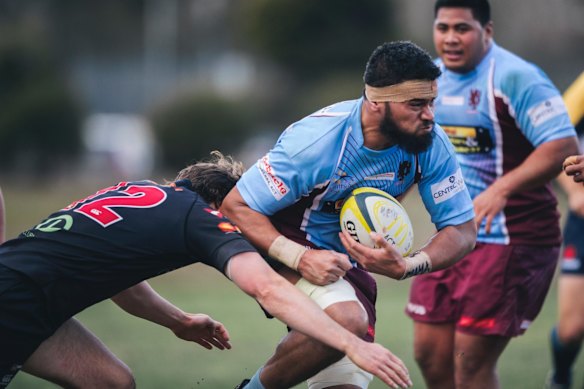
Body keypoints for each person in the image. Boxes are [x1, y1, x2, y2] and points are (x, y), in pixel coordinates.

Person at [0, 152, 412, 389]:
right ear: (225, 207)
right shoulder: (201, 218)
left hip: (32, 295)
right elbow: (268, 288)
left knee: (110, 382)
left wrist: (178, 320)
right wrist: (350, 341)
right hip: (16, 302)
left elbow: (119, 281)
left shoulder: (137, 192)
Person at [221, 41, 477, 389]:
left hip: (343, 264)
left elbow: (462, 230)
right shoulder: (317, 143)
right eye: (416, 104)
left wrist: (409, 265)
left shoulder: (430, 142)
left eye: (432, 102)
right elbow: (236, 207)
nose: (429, 115)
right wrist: (299, 257)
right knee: (347, 321)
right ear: (376, 102)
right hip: (281, 243)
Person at [406, 1, 580, 388]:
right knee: (429, 353)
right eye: (443, 27)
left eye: (462, 28)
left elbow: (563, 145)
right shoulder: (429, 80)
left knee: (469, 362)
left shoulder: (517, 78)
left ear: (486, 31)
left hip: (511, 237)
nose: (451, 38)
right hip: (452, 235)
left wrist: (501, 188)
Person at [548, 71, 584, 389]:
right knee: (572, 329)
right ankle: (560, 379)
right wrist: (575, 194)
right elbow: (553, 140)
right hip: (582, 225)